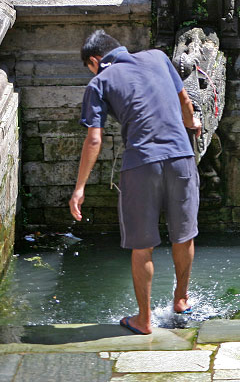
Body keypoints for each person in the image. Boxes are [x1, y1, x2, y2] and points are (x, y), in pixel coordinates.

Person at [68, 30, 202, 335]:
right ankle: (181, 299)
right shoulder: (157, 56)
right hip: (181, 156)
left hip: (140, 165)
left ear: (94, 61)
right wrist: (191, 123)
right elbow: (184, 99)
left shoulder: (99, 82)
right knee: (184, 235)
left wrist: (79, 189)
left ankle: (143, 320)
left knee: (142, 247)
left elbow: (94, 139)